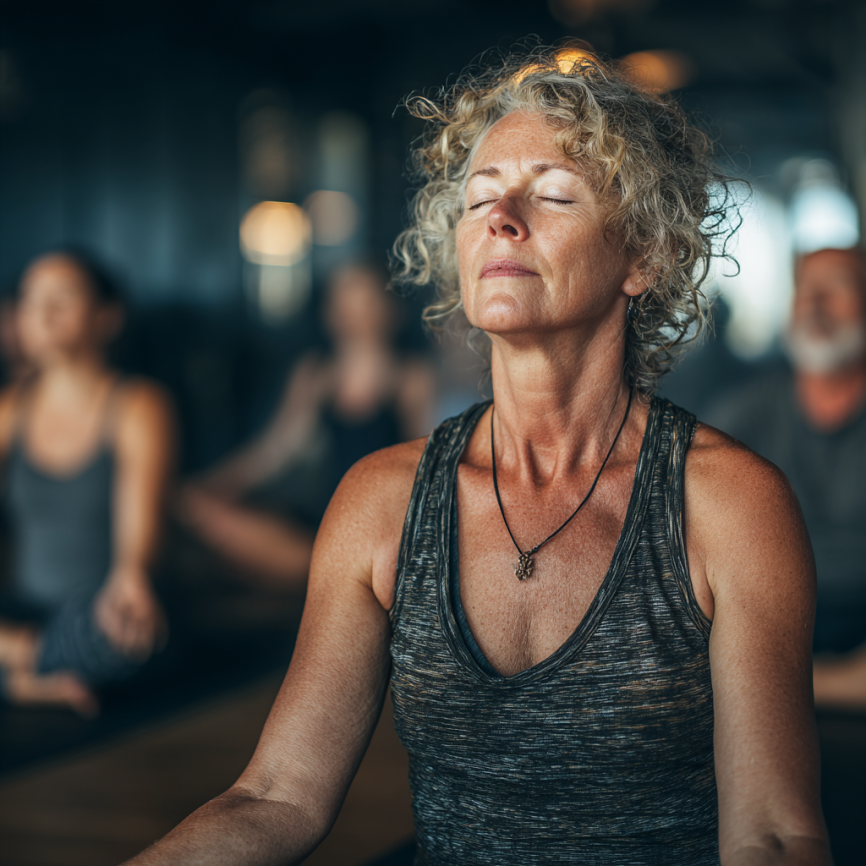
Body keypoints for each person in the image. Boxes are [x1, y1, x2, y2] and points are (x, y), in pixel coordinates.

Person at [125, 48, 830, 865]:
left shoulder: (730, 503)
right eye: (479, 199)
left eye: (555, 194)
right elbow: (276, 795)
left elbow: (776, 836)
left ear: (644, 257)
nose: (501, 216)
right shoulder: (381, 500)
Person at [177, 262, 434, 588]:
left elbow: (426, 467)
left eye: (365, 298)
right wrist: (211, 486)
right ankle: (329, 574)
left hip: (384, 527)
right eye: (344, 299)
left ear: (390, 309)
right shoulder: (314, 375)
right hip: (320, 521)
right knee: (206, 515)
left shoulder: (411, 377)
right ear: (329, 311)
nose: (354, 311)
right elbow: (274, 451)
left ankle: (340, 574)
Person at [0, 251, 175, 715]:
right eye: (30, 298)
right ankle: (29, 673)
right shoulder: (8, 410)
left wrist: (131, 576)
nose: (43, 312)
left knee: (124, 638)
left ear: (106, 317)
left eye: (63, 297)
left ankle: (20, 670)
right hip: (24, 611)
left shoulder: (138, 404)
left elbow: (140, 533)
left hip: (98, 613)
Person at [709, 246, 866, 710]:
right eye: (805, 289)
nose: (816, 300)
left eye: (837, 286)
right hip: (768, 637)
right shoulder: (741, 417)